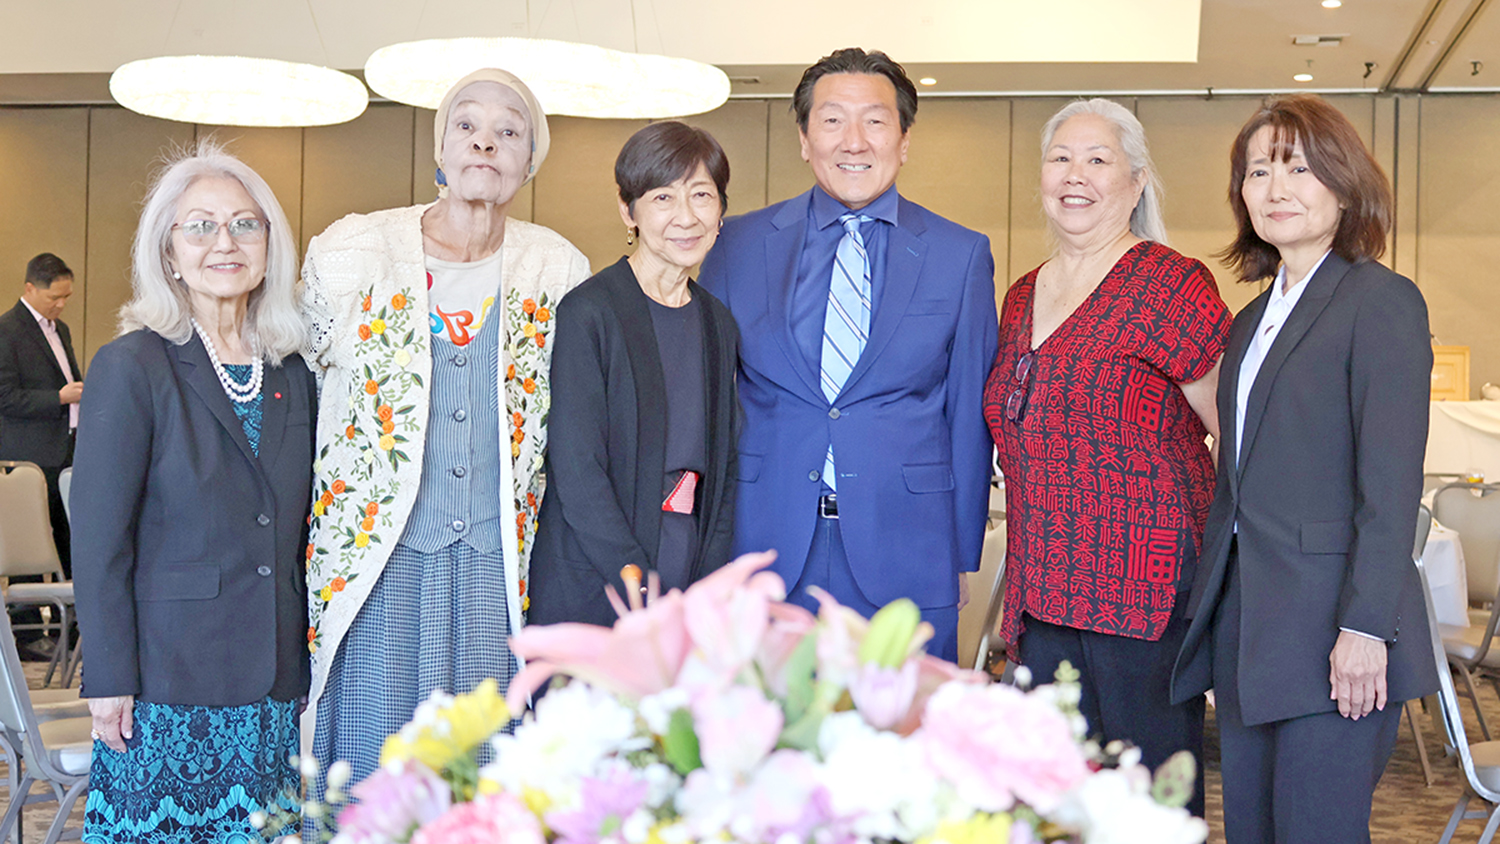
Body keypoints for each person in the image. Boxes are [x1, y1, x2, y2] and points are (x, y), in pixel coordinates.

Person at [301, 68, 589, 785]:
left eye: (509, 132)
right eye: (466, 125)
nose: (485, 143)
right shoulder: (354, 252)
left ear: (530, 161)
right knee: (375, 769)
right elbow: (298, 390)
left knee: (490, 770)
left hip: (501, 568)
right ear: (441, 147)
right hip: (379, 560)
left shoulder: (556, 268)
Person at [1171, 94, 1439, 841]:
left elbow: (1389, 489)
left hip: (1334, 635)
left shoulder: (1380, 302)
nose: (1275, 188)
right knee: (1251, 831)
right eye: (1258, 172)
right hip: (1252, 635)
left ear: (1345, 183)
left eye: (1297, 167)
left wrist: (1364, 629)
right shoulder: (1250, 321)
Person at [699, 48, 997, 661]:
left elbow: (969, 413)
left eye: (876, 121)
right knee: (760, 739)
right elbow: (710, 398)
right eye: (832, 120)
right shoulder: (738, 245)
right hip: (766, 542)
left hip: (907, 546)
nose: (853, 141)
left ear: (905, 139)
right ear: (805, 139)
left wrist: (959, 554)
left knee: (904, 741)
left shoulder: (959, 254)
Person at [985, 99, 1229, 814]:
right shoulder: (1022, 294)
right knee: (1054, 804)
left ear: (1137, 181)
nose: (1075, 174)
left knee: (1146, 804)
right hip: (1044, 592)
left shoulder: (1170, 283)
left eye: (1098, 159)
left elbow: (1236, 435)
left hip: (1143, 598)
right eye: (1061, 157)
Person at [71, 142, 313, 842]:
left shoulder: (290, 368)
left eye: (245, 223)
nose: (225, 242)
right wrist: (108, 676)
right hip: (164, 681)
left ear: (271, 244)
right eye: (200, 225)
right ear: (168, 252)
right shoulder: (131, 365)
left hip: (270, 681)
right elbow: (99, 536)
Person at [530, 122, 740, 626]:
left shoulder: (717, 321)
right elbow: (578, 471)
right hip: (598, 572)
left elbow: (725, 466)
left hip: (686, 565)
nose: (686, 217)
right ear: (629, 211)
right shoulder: (590, 311)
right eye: (663, 198)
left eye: (701, 196)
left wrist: (706, 582)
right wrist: (639, 582)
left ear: (721, 211)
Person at [0, 253, 83, 581]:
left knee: (70, 534)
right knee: (29, 538)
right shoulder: (7, 331)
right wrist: (58, 398)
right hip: (30, 453)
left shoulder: (60, 329)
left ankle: (74, 613)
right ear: (30, 288)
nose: (61, 305)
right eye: (54, 298)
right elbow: (5, 397)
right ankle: (27, 622)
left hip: (67, 448)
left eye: (67, 297)